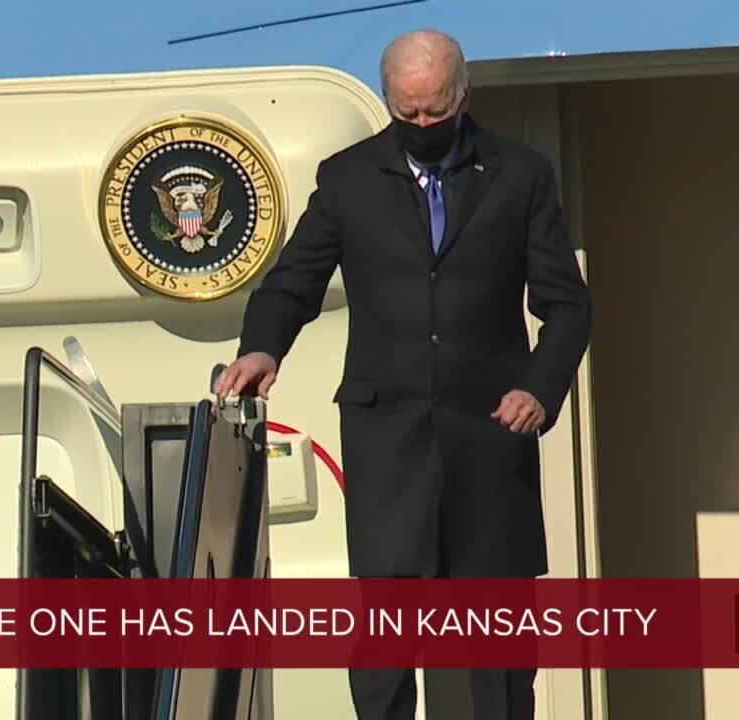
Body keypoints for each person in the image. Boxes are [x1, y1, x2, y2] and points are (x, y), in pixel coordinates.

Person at [213, 28, 592, 720]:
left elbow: (567, 307)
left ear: (462, 94)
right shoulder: (348, 178)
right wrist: (264, 347)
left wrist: (540, 387)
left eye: (435, 111)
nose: (422, 125)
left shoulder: (521, 174)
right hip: (387, 437)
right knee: (386, 633)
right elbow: (291, 283)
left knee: (500, 637)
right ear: (389, 100)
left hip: (490, 435)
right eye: (406, 112)